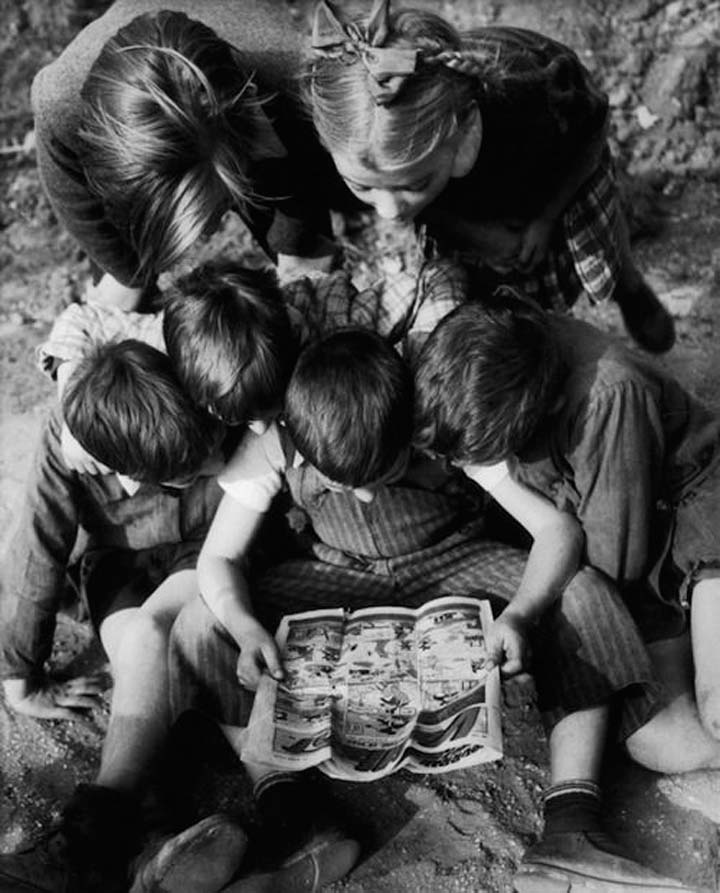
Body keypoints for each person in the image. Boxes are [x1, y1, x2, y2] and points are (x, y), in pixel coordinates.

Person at [170, 327, 693, 892]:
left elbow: (556, 531)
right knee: (204, 620)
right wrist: (246, 628)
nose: (367, 497)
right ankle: (294, 813)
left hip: (452, 563)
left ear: (409, 430)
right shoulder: (278, 438)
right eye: (347, 485)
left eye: (384, 473)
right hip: (337, 574)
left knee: (582, 593)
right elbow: (218, 557)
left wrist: (521, 612)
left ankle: (572, 826)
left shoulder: (431, 415)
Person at [414, 289, 720, 885]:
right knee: (663, 745)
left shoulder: (608, 397)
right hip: (650, 533)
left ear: (543, 407)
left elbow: (616, 559)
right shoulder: (495, 355)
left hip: (702, 512)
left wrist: (563, 640)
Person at [0, 340, 252, 893]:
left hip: (200, 551)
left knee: (149, 634)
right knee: (141, 643)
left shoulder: (186, 378)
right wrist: (21, 670)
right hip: (117, 567)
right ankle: (151, 843)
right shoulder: (71, 438)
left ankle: (86, 841)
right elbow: (38, 543)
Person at [305, 0, 675, 353]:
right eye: (363, 186)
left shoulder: (533, 93)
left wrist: (546, 217)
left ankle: (628, 286)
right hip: (461, 199)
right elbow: (418, 200)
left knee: (603, 240)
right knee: (496, 287)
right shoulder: (354, 137)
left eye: (413, 183)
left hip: (558, 171)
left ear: (464, 133)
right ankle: (532, 333)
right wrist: (475, 234)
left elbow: (591, 131)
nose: (388, 212)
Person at [31, 1, 344, 311]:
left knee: (307, 275)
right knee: (124, 290)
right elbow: (74, 198)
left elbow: (299, 172)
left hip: (262, 101)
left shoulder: (291, 72)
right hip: (207, 126)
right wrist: (126, 272)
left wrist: (297, 249)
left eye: (218, 208)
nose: (209, 234)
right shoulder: (60, 105)